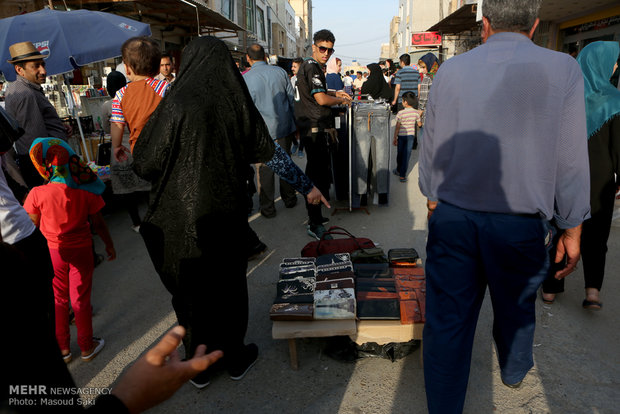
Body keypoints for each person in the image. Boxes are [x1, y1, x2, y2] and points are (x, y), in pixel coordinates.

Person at [417, 0, 591, 412]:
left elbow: (432, 143)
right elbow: (570, 159)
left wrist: (432, 195)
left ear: (485, 24)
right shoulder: (563, 69)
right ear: (534, 24)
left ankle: (444, 406)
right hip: (521, 224)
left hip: (455, 216)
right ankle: (513, 369)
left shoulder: (452, 71)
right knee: (515, 306)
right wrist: (572, 226)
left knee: (447, 322)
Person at [132, 36, 328, 389]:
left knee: (192, 294)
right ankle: (234, 357)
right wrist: (307, 186)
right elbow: (270, 153)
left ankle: (199, 365)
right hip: (228, 216)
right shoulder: (235, 101)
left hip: (179, 221)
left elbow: (144, 163)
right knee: (230, 288)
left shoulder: (173, 104)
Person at [542, 41, 620, 310]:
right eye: (614, 60)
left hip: (563, 175)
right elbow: (618, 147)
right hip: (599, 181)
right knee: (597, 235)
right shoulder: (615, 100)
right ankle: (592, 292)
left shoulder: (564, 95)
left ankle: (551, 288)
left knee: (560, 229)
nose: (616, 65)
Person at [23, 138, 116, 363]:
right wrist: (109, 245)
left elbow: (31, 225)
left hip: (54, 251)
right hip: (82, 248)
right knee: (81, 298)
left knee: (59, 299)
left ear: (47, 167)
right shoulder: (85, 191)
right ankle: (86, 347)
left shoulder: (37, 193)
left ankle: (63, 349)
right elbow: (99, 223)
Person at [294, 29, 352, 240]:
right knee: (316, 178)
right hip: (314, 129)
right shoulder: (313, 67)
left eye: (330, 49)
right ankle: (314, 222)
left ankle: (316, 217)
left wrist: (335, 92)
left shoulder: (309, 67)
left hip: (311, 128)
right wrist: (341, 100)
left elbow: (317, 92)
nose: (326, 53)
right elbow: (319, 99)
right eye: (323, 48)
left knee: (317, 174)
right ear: (314, 47)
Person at [243, 43, 298, 218]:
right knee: (286, 165)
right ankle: (289, 199)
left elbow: (246, 110)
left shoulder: (245, 78)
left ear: (248, 58)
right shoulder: (281, 73)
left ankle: (267, 208)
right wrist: (295, 126)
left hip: (261, 134)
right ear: (266, 56)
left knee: (265, 171)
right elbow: (291, 101)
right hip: (284, 128)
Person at [4, 41, 67, 189]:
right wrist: (47, 174)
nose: (43, 71)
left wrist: (59, 127)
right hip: (44, 168)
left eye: (43, 64)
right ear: (19, 70)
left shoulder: (26, 88)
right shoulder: (25, 93)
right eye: (36, 66)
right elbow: (34, 140)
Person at [110, 37, 170, 163]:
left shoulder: (121, 94)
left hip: (139, 151)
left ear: (127, 69)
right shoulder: (164, 87)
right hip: (166, 146)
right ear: (157, 67)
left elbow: (117, 124)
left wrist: (116, 146)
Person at [392, 91, 420, 183]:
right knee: (406, 155)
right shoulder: (416, 113)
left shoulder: (400, 113)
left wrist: (395, 137)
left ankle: (399, 171)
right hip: (410, 137)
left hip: (401, 136)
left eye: (403, 100)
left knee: (400, 154)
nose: (402, 102)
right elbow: (419, 124)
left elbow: (397, 127)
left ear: (406, 102)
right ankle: (402, 175)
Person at [416, 52, 440, 141]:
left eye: (423, 67)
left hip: (428, 115)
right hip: (440, 115)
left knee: (425, 142)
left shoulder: (427, 78)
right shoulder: (440, 76)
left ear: (430, 65)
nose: (421, 70)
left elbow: (423, 98)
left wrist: (419, 112)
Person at [290, 57, 304, 157]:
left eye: (294, 66)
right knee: (291, 129)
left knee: (303, 130)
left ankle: (300, 149)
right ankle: (295, 143)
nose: (292, 68)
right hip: (293, 107)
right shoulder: (292, 79)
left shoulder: (305, 78)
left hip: (303, 108)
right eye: (292, 66)